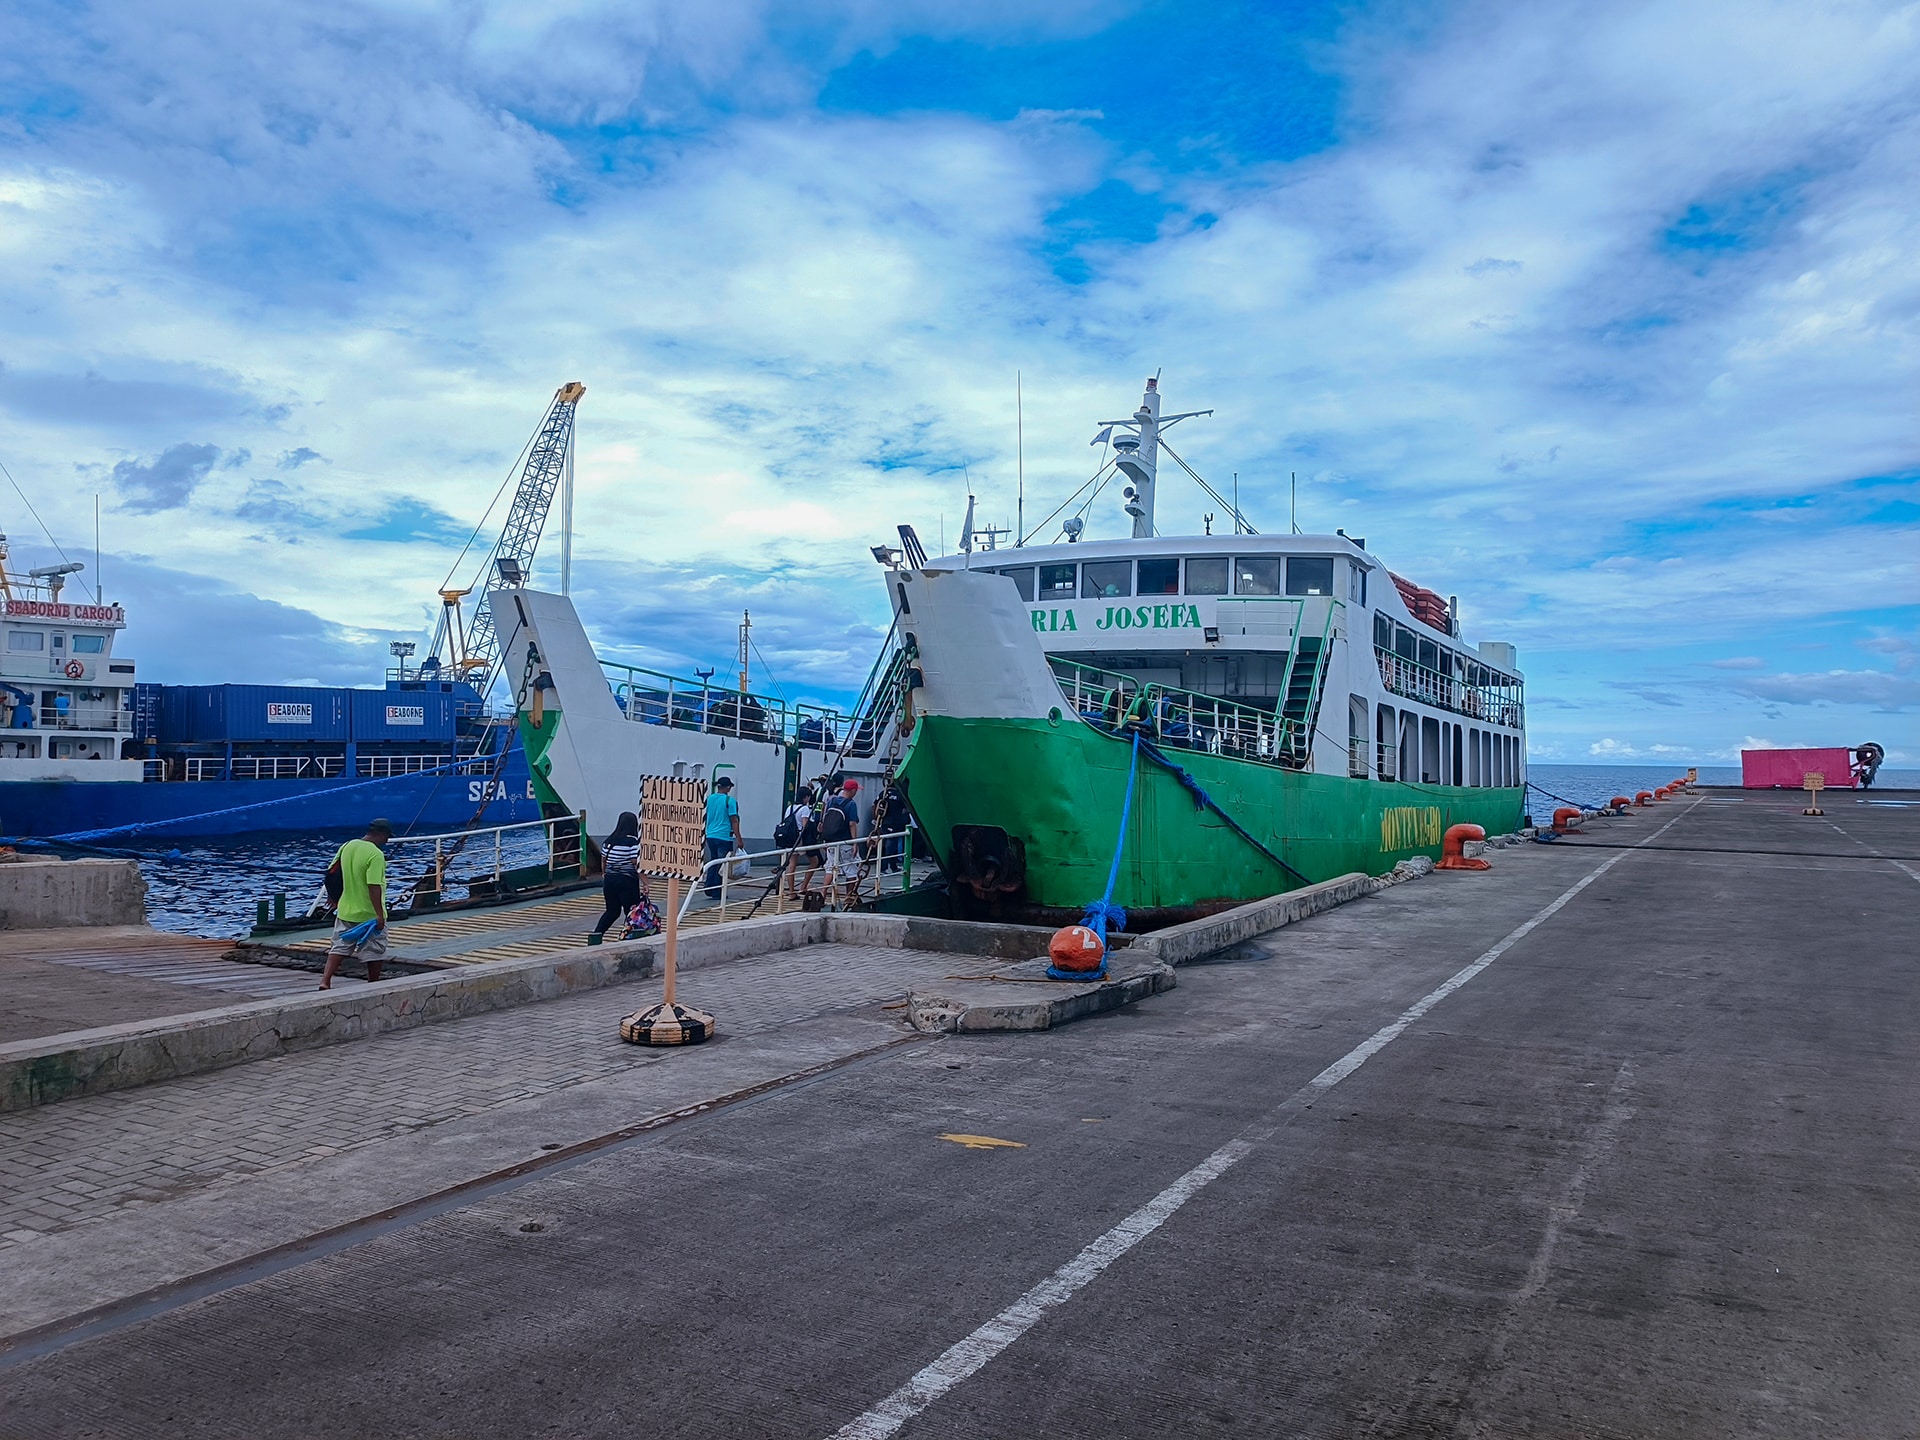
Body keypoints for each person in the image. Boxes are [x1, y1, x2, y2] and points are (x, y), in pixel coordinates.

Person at [320, 818, 392, 989]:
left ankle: (325, 981)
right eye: (387, 837)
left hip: (346, 910)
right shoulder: (375, 854)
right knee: (374, 950)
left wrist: (333, 898)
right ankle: (373, 984)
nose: (387, 841)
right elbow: (374, 886)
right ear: (381, 835)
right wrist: (380, 914)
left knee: (339, 947)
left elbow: (331, 873)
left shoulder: (347, 846)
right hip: (368, 914)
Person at [591, 811, 642, 939]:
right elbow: (635, 863)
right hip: (627, 881)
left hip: (609, 880)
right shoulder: (632, 842)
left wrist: (604, 873)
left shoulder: (609, 841)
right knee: (631, 911)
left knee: (612, 911)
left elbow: (603, 860)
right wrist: (645, 882)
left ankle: (596, 935)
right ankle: (632, 935)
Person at [822, 778, 863, 905]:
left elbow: (825, 820)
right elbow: (852, 824)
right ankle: (849, 896)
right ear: (853, 790)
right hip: (845, 842)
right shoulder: (851, 804)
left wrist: (825, 839)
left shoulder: (832, 800)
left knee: (830, 867)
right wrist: (855, 842)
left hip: (831, 841)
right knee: (851, 869)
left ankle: (822, 894)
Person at [703, 774, 742, 899]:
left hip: (710, 835)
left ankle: (708, 886)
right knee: (722, 864)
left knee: (713, 861)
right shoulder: (730, 801)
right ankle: (717, 891)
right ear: (728, 788)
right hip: (724, 836)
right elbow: (734, 820)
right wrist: (739, 839)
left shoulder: (709, 799)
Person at [778, 784, 816, 903]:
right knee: (815, 862)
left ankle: (791, 892)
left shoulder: (790, 808)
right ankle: (803, 886)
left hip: (790, 839)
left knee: (791, 865)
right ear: (806, 797)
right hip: (800, 839)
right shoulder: (805, 809)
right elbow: (805, 825)